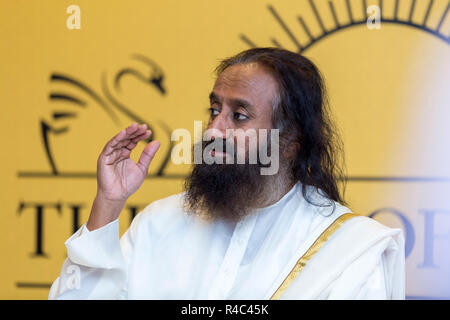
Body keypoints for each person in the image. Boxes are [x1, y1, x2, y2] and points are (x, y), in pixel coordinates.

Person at [48, 47, 405, 300]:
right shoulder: (159, 224)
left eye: (239, 116)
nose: (214, 130)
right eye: (214, 109)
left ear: (290, 140)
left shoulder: (350, 252)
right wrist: (108, 204)